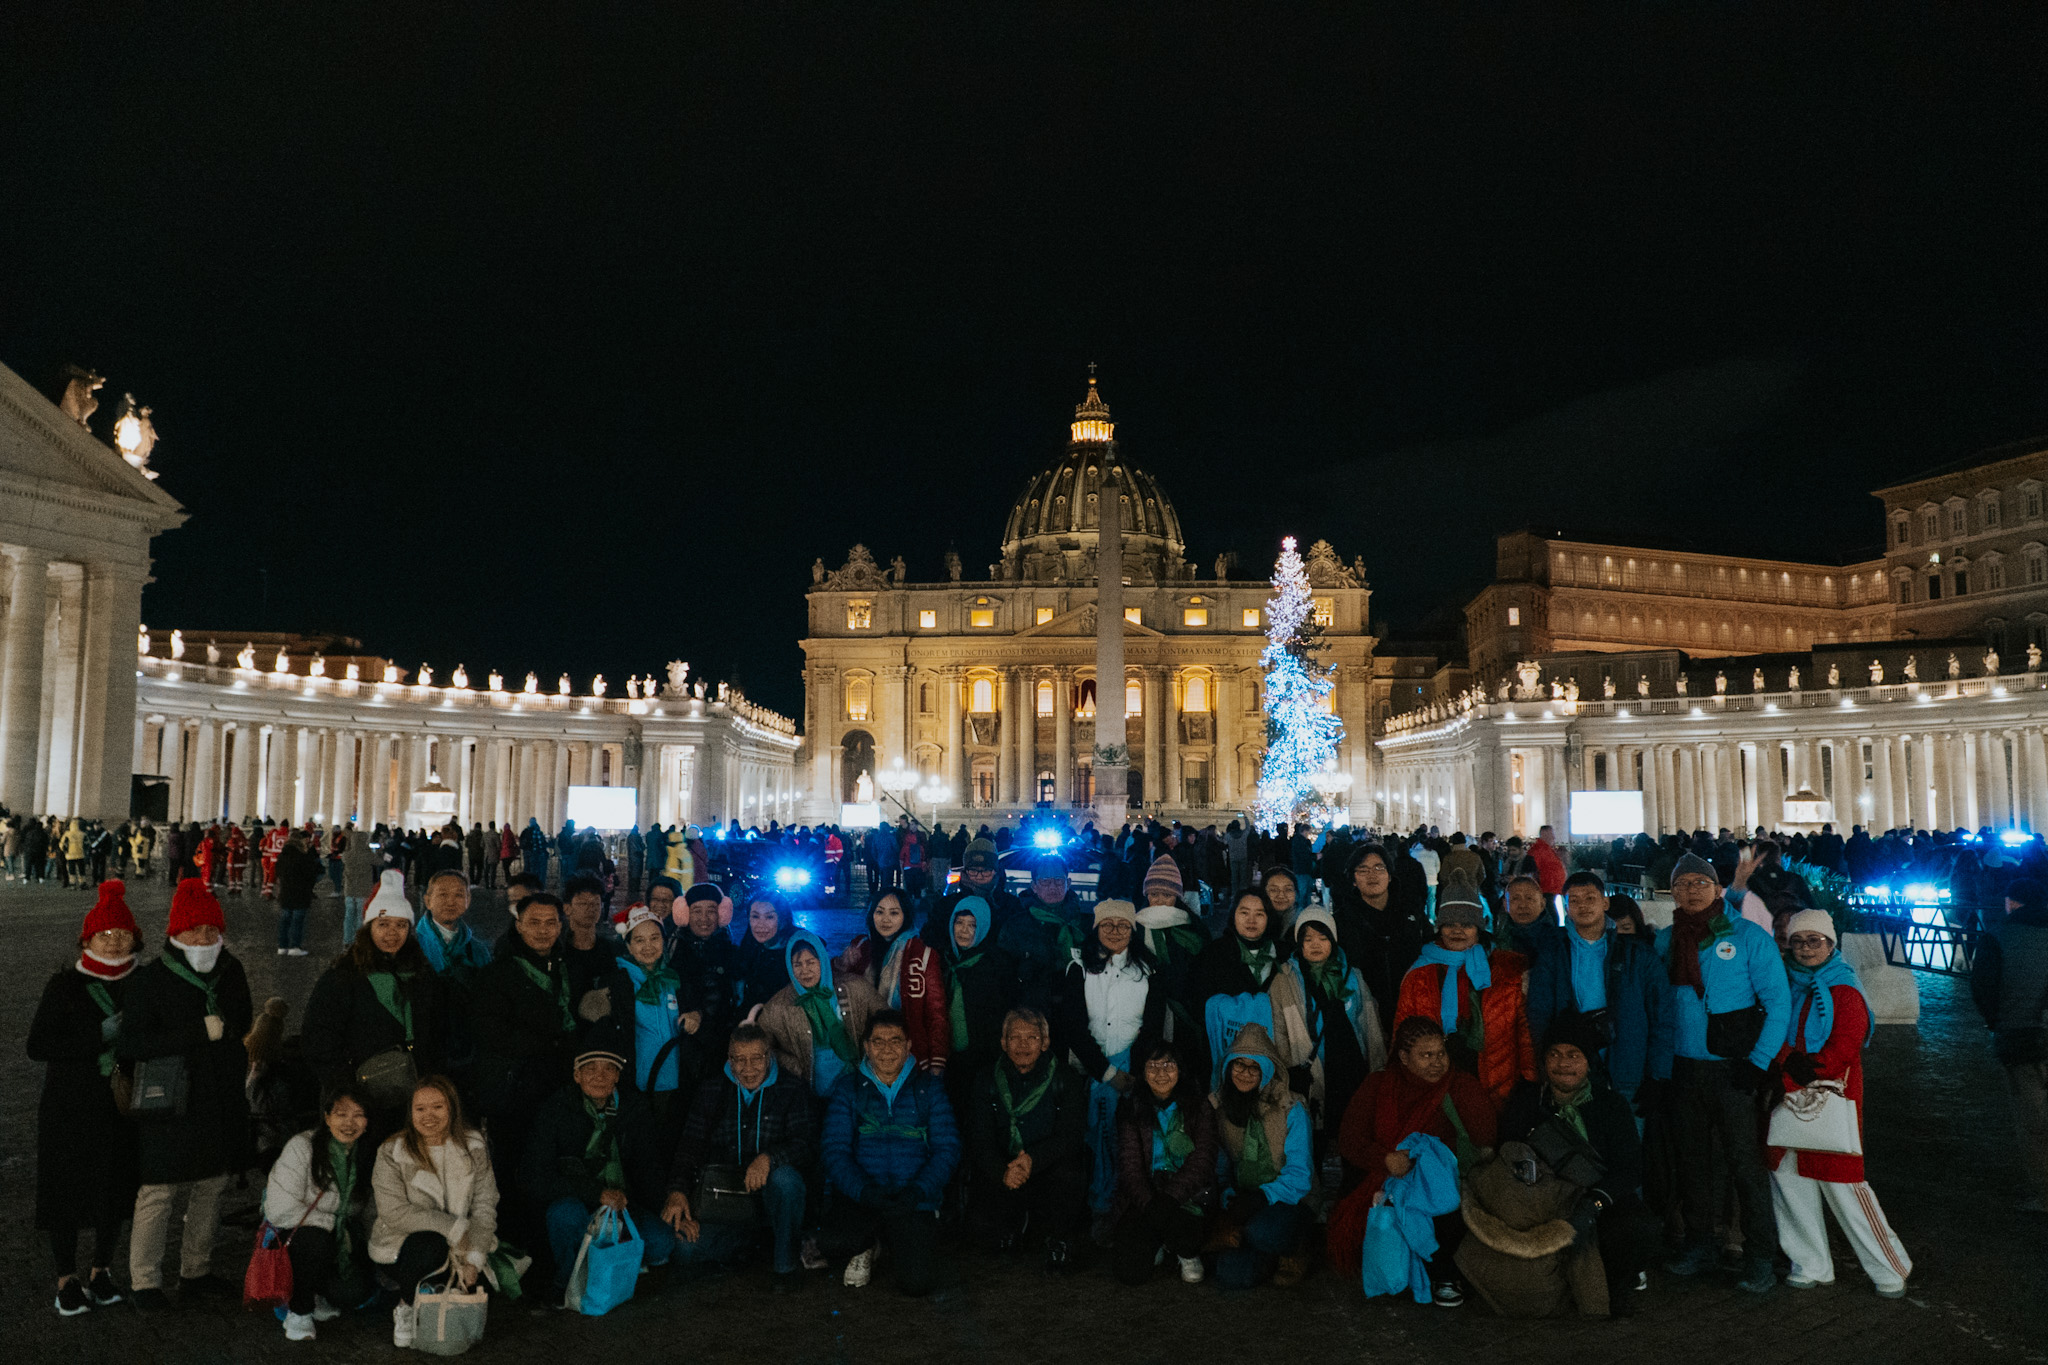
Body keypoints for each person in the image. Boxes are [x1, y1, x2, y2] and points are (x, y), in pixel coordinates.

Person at [1656, 851, 1791, 1294]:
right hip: (1683, 1069)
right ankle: (1700, 1243)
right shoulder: (1666, 940)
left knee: (1744, 1165)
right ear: (1671, 892)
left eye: (1700, 882)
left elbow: (1778, 1004)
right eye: (1682, 884)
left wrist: (1757, 1063)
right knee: (1692, 1163)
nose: (1691, 891)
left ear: (1717, 888)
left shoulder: (1749, 936)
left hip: (1734, 1070)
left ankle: (1759, 1255)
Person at [117, 878, 254, 1309]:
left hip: (218, 1100)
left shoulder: (231, 972)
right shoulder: (150, 979)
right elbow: (131, 1045)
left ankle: (195, 1271)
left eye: (211, 930)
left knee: (210, 1189)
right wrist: (198, 1032)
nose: (203, 938)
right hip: (168, 1104)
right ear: (174, 934)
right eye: (194, 930)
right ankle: (144, 1281)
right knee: (158, 1193)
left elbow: (243, 1022)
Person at [1769, 910, 1912, 1296]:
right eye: (1798, 941)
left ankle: (1889, 1267)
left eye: (1814, 940)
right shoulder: (1784, 983)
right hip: (1786, 1096)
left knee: (1846, 1187)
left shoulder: (1845, 990)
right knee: (1789, 1181)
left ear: (1831, 944)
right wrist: (1785, 1067)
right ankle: (1809, 1262)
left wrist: (1785, 1069)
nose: (1805, 949)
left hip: (1830, 1098)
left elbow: (1843, 1049)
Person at [28, 881, 144, 1316]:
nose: (114, 942)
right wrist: (99, 1037)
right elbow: (37, 1045)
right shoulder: (64, 985)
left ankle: (101, 1270)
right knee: (66, 1190)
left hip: (121, 1105)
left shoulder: (145, 983)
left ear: (136, 939)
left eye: (122, 935)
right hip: (69, 1106)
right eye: (105, 935)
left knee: (114, 1187)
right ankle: (66, 1279)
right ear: (87, 940)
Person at [1328, 1015, 1499, 1300]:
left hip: (1436, 1183)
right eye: (1426, 1055)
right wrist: (1385, 1159)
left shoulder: (1457, 1085)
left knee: (1445, 1207)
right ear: (1404, 1058)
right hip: (1384, 1175)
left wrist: (1466, 1094)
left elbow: (1485, 1137)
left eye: (1441, 1053)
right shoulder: (1378, 1085)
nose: (1437, 1062)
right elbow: (1349, 1139)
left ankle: (1442, 1274)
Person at [1499, 1015, 1657, 1312]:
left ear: (1588, 1062)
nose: (1564, 1063)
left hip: (1595, 1201)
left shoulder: (1611, 1106)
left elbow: (1630, 1169)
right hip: (1543, 1201)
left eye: (1574, 1055)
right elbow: (1508, 1152)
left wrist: (1594, 1203)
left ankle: (1615, 1277)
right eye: (1555, 1055)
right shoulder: (1527, 1103)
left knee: (1638, 1227)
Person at [660, 1025, 817, 1290]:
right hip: (725, 1201)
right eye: (739, 1059)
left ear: (769, 1057)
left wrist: (769, 1158)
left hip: (771, 1199)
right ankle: (750, 1247)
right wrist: (677, 1191)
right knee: (684, 1248)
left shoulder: (791, 1088)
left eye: (756, 1058)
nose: (748, 1068)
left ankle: (784, 1265)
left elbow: (806, 1144)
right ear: (729, 1059)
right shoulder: (712, 1090)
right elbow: (690, 1147)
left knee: (787, 1180)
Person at [818, 1011, 962, 1295]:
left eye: (895, 1041)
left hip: (912, 1198)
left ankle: (889, 1239)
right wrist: (864, 1191)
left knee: (916, 1284)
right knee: (832, 1241)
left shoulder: (928, 1088)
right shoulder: (848, 1089)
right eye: (878, 1041)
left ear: (909, 1045)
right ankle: (866, 1244)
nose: (887, 1049)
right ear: (866, 1046)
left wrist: (918, 1191)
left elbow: (947, 1148)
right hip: (864, 1197)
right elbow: (835, 1151)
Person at [1053, 899, 1174, 1227]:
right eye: (1107, 925)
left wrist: (1131, 1073)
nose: (1116, 931)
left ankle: (1129, 1202)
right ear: (1096, 928)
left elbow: (1151, 1027)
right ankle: (1099, 1204)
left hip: (1134, 1071)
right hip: (1089, 1070)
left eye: (1123, 925)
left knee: (1130, 1141)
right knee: (1095, 1144)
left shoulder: (1149, 970)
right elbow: (1075, 1027)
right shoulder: (1078, 967)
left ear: (1133, 931)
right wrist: (1107, 1073)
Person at [524, 1049, 678, 1304]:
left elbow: (647, 1165)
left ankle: (607, 1271)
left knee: (662, 1241)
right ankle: (566, 1285)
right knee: (564, 1214)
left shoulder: (633, 1107)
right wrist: (596, 1193)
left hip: (621, 1206)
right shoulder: (556, 1109)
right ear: (576, 1075)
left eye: (608, 1069)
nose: (599, 1076)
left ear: (618, 1075)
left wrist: (666, 1207)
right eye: (590, 1069)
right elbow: (535, 1177)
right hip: (578, 1205)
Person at [301, 869, 447, 1131]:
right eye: (383, 924)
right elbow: (318, 1039)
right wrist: (345, 1091)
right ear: (368, 928)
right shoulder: (343, 976)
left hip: (413, 1097)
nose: (392, 933)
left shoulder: (422, 974)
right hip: (358, 1100)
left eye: (401, 925)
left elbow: (437, 1030)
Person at [369, 1077, 510, 1348]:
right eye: (420, 1109)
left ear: (452, 1109)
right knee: (430, 1245)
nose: (428, 1116)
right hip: (401, 1245)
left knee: (482, 1289)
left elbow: (484, 1203)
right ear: (410, 1112)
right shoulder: (392, 1151)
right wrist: (453, 1227)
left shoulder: (473, 1145)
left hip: (463, 1246)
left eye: (438, 1107)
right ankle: (406, 1305)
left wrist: (474, 1258)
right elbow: (394, 1212)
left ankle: (433, 1293)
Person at [470, 892, 578, 1223]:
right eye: (534, 922)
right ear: (518, 926)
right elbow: (493, 1034)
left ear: (561, 925)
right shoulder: (497, 974)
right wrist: (553, 1040)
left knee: (553, 1163)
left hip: (558, 1092)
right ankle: (515, 1237)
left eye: (551, 923)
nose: (543, 930)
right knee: (513, 1167)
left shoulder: (569, 967)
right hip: (514, 1094)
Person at [1526, 870, 1665, 1105]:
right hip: (1569, 1073)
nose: (1583, 906)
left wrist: (1658, 1073)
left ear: (1605, 902)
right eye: (1574, 900)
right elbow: (1539, 1014)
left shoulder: (1637, 954)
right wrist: (1545, 1067)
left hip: (1627, 1070)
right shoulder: (1553, 953)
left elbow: (1661, 1015)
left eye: (1590, 898)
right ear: (1566, 907)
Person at [964, 1007, 1089, 1269]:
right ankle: (1011, 1226)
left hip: (1046, 1167)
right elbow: (980, 1138)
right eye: (1014, 1037)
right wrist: (1003, 1171)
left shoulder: (1066, 1078)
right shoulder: (986, 1079)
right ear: (1003, 1042)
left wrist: (1032, 1160)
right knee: (981, 1231)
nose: (1023, 1045)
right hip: (1005, 1168)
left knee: (1074, 1167)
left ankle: (1058, 1237)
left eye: (1031, 1038)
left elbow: (1070, 1136)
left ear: (1045, 1042)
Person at [1395, 874, 1534, 1105]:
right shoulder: (1419, 974)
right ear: (1439, 927)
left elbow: (1525, 1033)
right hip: (1435, 1089)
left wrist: (1529, 1083)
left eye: (1467, 924)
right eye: (1450, 924)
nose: (1457, 931)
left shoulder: (1507, 971)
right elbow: (1403, 1034)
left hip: (1499, 1085)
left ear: (1479, 929)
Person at [1266, 906, 1387, 1153]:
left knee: (1355, 1133)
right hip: (1311, 1073)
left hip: (1351, 1069)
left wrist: (1378, 1072)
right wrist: (1287, 1073)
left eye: (1323, 938)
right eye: (1307, 939)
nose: (1315, 945)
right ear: (1299, 943)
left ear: (1333, 940)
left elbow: (1370, 1027)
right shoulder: (1285, 979)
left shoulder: (1352, 976)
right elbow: (1278, 1029)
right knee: (1315, 1139)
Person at [1205, 1022, 1315, 1289]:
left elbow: (1300, 1176)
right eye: (1238, 1065)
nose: (1245, 1073)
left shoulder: (1291, 1107)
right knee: (1230, 1275)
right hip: (1244, 1198)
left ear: (1268, 1069)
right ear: (1228, 1066)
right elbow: (1221, 1165)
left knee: (1261, 1231)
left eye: (1254, 1067)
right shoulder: (1221, 1107)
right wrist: (1228, 1195)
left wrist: (1261, 1197)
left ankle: (1298, 1245)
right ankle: (1266, 1255)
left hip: (1287, 1199)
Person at [263, 1086, 377, 1340]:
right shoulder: (302, 1147)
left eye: (358, 1115)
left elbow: (368, 1212)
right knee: (315, 1239)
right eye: (341, 1114)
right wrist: (329, 1222)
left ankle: (318, 1294)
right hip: (294, 1236)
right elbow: (279, 1209)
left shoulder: (365, 1157)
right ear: (326, 1117)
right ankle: (299, 1310)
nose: (349, 1123)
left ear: (367, 1122)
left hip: (338, 1242)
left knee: (354, 1292)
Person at [1111, 1037, 1219, 1285]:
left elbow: (1203, 1161)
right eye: (1153, 1066)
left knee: (1184, 1230)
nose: (1161, 1073)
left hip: (1188, 1197)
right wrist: (1150, 1203)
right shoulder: (1131, 1108)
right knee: (1129, 1272)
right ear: (1142, 1071)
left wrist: (1170, 1198)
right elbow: (1130, 1167)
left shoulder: (1200, 1107)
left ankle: (1186, 1252)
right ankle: (1159, 1241)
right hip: (1146, 1197)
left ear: (1180, 1070)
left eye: (1169, 1065)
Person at [598, 906, 703, 1153]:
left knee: (670, 1146)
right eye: (639, 940)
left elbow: (694, 1009)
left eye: (655, 938)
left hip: (675, 1083)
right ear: (629, 945)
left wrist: (696, 1015)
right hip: (637, 1086)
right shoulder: (620, 982)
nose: (648, 946)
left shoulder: (673, 978)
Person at [1972, 876, 2048, 1213]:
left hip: (2022, 1041)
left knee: (2033, 1124)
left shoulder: (1997, 937)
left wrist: (1996, 1023)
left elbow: (1983, 988)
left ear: (2012, 902)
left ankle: (2045, 1196)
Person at [835, 888, 949, 1073]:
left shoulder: (921, 954)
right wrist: (841, 964)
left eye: (894, 912)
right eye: (879, 912)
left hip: (909, 1051)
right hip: (865, 1048)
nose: (885, 919)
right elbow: (836, 988)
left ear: (906, 915)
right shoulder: (862, 947)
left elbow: (936, 1013)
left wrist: (937, 1060)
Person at [761, 929, 884, 1099]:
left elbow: (886, 1020)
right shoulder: (780, 1005)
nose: (805, 970)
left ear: (822, 960)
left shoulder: (854, 987)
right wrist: (793, 1064)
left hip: (855, 1083)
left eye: (811, 962)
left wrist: (871, 1050)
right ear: (790, 967)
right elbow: (760, 1044)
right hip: (808, 1090)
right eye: (797, 965)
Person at [1330, 843, 1433, 1033]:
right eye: (1363, 869)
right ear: (1353, 878)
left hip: (1414, 1008)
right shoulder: (1341, 921)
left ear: (1389, 875)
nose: (1372, 875)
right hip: (1365, 1016)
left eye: (1379, 868)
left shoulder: (1411, 913)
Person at [936, 894, 1019, 1111]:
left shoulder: (996, 964)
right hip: (949, 1056)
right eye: (959, 923)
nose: (964, 931)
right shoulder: (943, 960)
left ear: (983, 927)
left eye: (972, 925)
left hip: (983, 1057)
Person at [1001, 854, 1090, 1011]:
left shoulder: (1083, 924)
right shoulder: (1016, 926)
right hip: (1031, 1012)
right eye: (1045, 881)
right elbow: (1005, 976)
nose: (1052, 887)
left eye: (1058, 880)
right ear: (1034, 886)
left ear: (1068, 883)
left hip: (1079, 1009)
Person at [665, 881, 743, 1057]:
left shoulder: (731, 952)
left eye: (711, 911)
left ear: (721, 914)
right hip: (683, 1038)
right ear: (685, 914)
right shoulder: (673, 949)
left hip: (723, 1039)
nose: (704, 919)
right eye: (697, 911)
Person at [736, 892, 797, 1019]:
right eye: (755, 917)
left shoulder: (797, 949)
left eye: (769, 917)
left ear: (783, 920)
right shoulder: (749, 946)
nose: (760, 925)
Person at [1497, 872, 1564, 968]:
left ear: (1542, 904)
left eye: (1529, 898)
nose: (1523, 905)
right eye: (1516, 899)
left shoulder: (1558, 943)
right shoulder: (1497, 944)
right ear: (1505, 905)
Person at [273, 834, 324, 956]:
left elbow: (277, 872)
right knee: (297, 921)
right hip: (300, 894)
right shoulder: (302, 857)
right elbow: (311, 874)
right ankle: (295, 946)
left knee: (285, 920)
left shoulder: (282, 857)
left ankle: (282, 946)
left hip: (285, 893)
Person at [341, 826, 376, 944]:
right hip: (363, 889)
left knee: (348, 916)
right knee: (361, 916)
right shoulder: (367, 855)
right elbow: (379, 861)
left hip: (349, 889)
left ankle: (347, 939)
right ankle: (358, 940)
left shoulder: (347, 855)